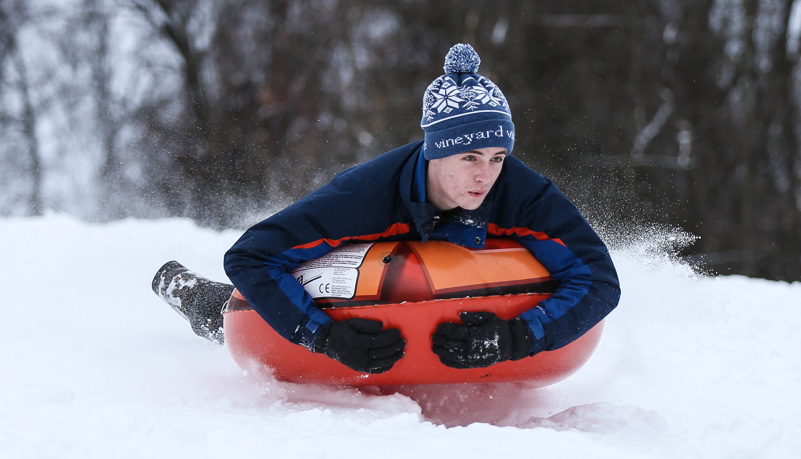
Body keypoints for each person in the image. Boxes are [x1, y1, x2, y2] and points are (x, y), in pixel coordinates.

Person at [152, 43, 620, 375]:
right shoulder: (365, 194)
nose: (486, 176)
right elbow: (249, 257)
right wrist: (325, 338)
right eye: (470, 158)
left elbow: (600, 281)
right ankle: (192, 294)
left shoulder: (522, 193)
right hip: (359, 277)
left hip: (450, 297)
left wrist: (516, 338)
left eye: (498, 158)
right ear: (435, 152)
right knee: (237, 315)